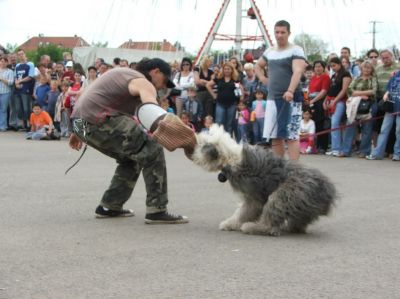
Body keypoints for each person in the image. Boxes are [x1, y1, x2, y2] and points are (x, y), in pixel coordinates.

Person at [69, 58, 189, 223]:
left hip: (78, 123)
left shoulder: (120, 73)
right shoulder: (142, 81)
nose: (162, 87)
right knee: (151, 148)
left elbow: (89, 95)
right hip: (97, 120)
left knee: (132, 158)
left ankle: (109, 206)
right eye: (164, 81)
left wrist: (77, 132)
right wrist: (177, 133)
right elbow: (151, 109)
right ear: (155, 72)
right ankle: (157, 210)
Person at [254, 20, 307, 160]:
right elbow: (258, 66)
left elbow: (298, 71)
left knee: (291, 136)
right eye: (277, 32)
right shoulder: (270, 51)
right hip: (272, 98)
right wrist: (264, 79)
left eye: (283, 32)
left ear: (289, 33)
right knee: (275, 137)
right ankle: (279, 169)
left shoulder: (296, 49)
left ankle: (295, 171)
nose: (279, 35)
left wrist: (290, 90)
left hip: (291, 98)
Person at [342, 61, 377, 158]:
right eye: (364, 68)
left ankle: (364, 151)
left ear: (371, 69)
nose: (366, 69)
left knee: (367, 128)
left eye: (368, 68)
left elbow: (373, 91)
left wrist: (357, 93)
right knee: (350, 127)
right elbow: (349, 90)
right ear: (361, 69)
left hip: (368, 104)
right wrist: (361, 95)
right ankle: (345, 151)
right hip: (355, 105)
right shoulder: (356, 78)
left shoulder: (372, 79)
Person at [366, 69, 400, 161]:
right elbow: (389, 88)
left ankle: (397, 153)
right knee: (384, 129)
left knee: (398, 131)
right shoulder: (396, 74)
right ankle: (377, 153)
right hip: (391, 105)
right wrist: (386, 94)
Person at [324, 57, 352, 156]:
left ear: (340, 64)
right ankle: (335, 147)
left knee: (335, 123)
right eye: (331, 66)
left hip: (340, 101)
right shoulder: (333, 76)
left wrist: (335, 101)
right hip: (331, 100)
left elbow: (344, 90)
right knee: (335, 124)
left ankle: (337, 148)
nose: (333, 68)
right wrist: (325, 101)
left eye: (334, 65)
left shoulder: (346, 74)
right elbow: (330, 89)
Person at [206, 61, 243, 136]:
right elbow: (208, 85)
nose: (226, 70)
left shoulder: (235, 80)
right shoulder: (219, 79)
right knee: (219, 122)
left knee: (229, 124)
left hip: (232, 104)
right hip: (220, 104)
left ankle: (228, 142)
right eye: (225, 69)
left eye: (228, 69)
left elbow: (239, 92)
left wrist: (240, 101)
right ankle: (218, 140)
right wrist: (214, 95)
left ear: (232, 70)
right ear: (223, 70)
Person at [307, 60, 331, 153]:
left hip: (320, 101)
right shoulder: (313, 78)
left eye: (320, 66)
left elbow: (324, 91)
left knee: (321, 124)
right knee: (315, 124)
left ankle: (323, 146)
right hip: (311, 101)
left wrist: (313, 100)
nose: (318, 68)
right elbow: (310, 89)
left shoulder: (325, 77)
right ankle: (316, 145)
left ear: (323, 67)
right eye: (316, 66)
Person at [0, 56, 14, 132]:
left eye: (4, 61)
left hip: (5, 92)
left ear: (7, 63)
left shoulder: (10, 72)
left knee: (3, 110)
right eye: (1, 61)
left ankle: (3, 126)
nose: (2, 63)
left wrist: (1, 79)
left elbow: (11, 83)